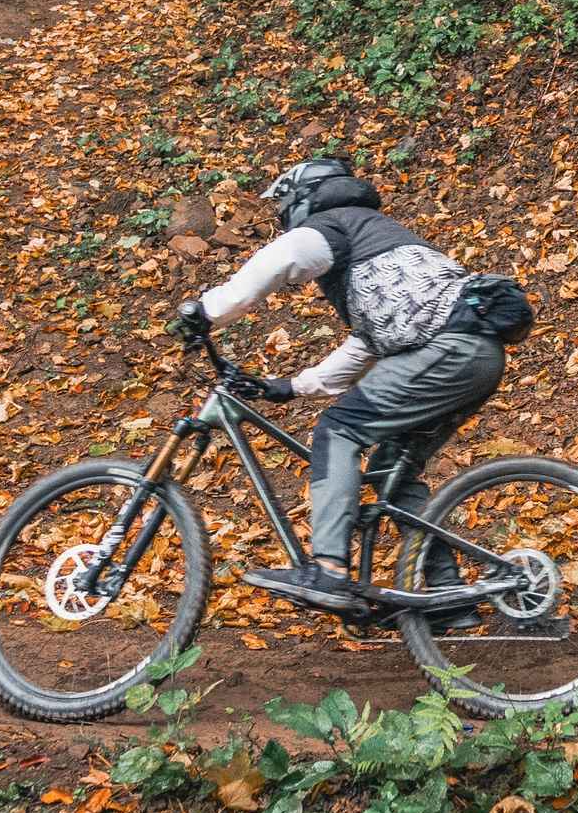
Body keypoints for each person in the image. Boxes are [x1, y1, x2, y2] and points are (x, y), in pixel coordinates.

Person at [177, 160, 505, 617]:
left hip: (447, 351)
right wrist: (290, 387)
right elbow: (365, 345)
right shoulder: (379, 241)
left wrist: (205, 311)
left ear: (301, 197)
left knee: (337, 430)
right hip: (477, 355)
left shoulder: (331, 224)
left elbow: (277, 262)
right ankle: (447, 598)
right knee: (396, 470)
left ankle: (328, 568)